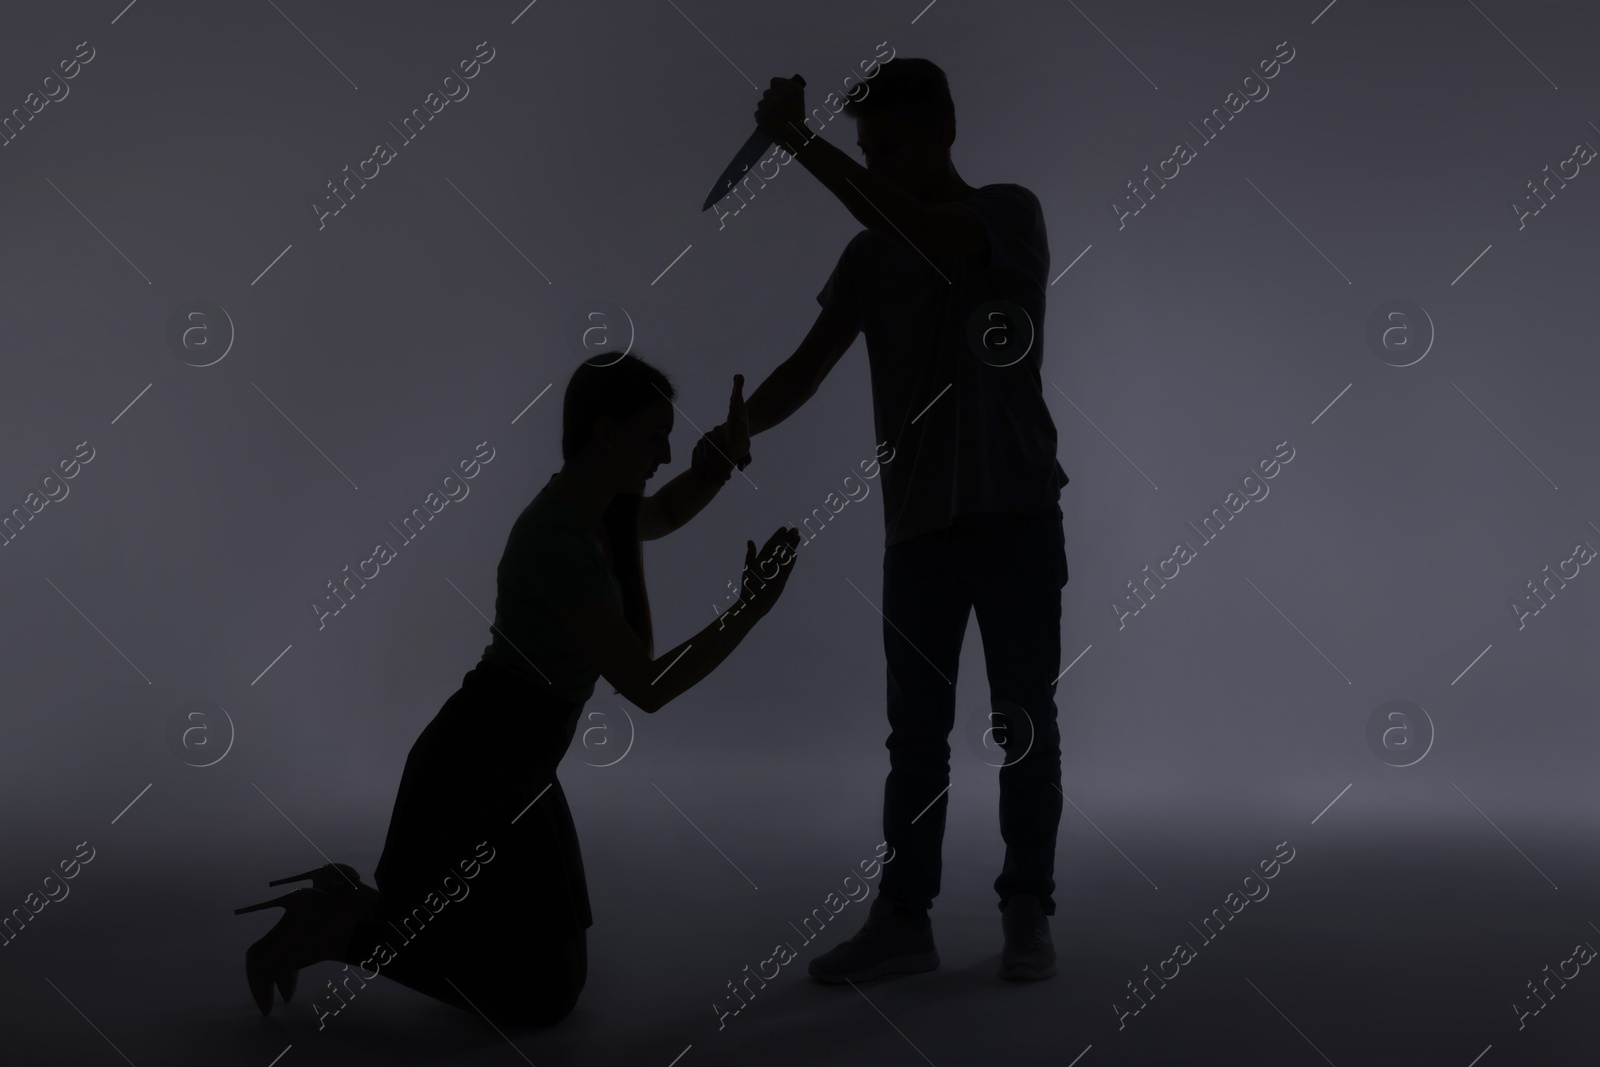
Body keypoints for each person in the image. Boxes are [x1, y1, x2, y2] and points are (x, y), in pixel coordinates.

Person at [234, 355, 801, 1026]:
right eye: (655, 435)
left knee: (542, 970)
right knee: (540, 992)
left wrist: (717, 464)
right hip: (478, 767)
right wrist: (749, 610)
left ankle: (345, 906)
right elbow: (646, 686)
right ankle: (333, 931)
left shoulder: (596, 509)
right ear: (606, 431)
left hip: (515, 763)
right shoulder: (555, 539)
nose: (668, 451)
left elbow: (666, 510)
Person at [734, 57, 1069, 982]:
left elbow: (923, 226)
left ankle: (1027, 911)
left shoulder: (1008, 214)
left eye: (892, 148)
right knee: (914, 741)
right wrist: (740, 426)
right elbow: (806, 369)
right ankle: (904, 921)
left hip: (1016, 517)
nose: (877, 166)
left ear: (944, 133)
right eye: (865, 152)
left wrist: (798, 143)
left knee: (1023, 724)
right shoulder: (866, 256)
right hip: (916, 533)